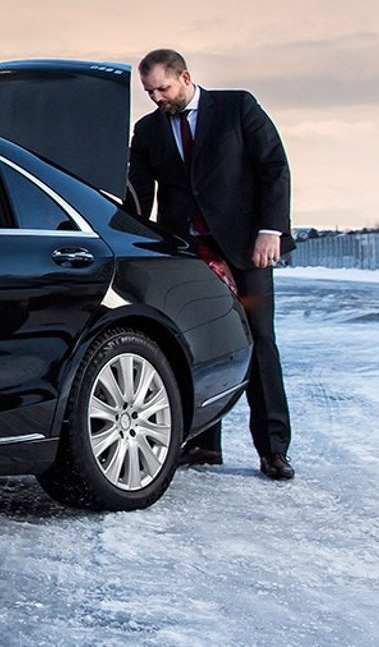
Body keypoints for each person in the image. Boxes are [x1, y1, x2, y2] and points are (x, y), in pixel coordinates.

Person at [127, 48, 296, 480]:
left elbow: (274, 168)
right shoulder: (147, 131)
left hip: (247, 248)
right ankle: (204, 444)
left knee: (258, 341)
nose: (156, 98)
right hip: (188, 254)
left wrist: (270, 230)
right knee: (196, 343)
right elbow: (139, 195)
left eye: (162, 88)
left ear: (185, 77)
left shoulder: (237, 107)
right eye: (149, 92)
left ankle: (273, 449)